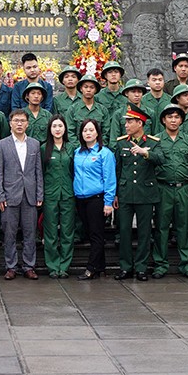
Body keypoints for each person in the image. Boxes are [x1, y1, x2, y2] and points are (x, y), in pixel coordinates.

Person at [0, 108, 42, 280]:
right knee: (10, 233)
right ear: (10, 123)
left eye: (22, 121)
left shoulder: (34, 144)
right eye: (16, 121)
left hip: (30, 195)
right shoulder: (1, 144)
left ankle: (29, 266)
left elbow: (38, 172)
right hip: (9, 195)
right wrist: (0, 195)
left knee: (30, 233)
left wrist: (39, 195)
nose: (19, 124)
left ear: (27, 124)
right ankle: (11, 266)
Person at [148, 103, 188, 279]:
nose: (173, 120)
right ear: (163, 120)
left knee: (184, 227)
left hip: (183, 188)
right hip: (163, 188)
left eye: (177, 117)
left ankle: (187, 264)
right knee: (161, 228)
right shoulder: (156, 140)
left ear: (181, 120)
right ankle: (160, 264)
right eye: (170, 117)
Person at [112, 107, 157, 281]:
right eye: (126, 121)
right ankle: (125, 267)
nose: (126, 125)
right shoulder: (122, 142)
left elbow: (160, 159)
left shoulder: (152, 142)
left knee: (144, 232)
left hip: (145, 193)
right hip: (125, 193)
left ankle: (141, 267)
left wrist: (145, 152)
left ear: (140, 123)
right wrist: (115, 193)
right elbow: (118, 169)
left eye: (130, 122)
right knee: (123, 231)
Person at [72, 118, 115, 280]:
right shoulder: (77, 152)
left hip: (96, 199)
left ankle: (91, 268)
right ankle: (101, 267)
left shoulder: (104, 153)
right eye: (85, 130)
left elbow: (110, 179)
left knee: (97, 235)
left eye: (91, 130)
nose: (88, 133)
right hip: (80, 199)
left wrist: (108, 202)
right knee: (91, 234)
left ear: (97, 132)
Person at [36, 114, 73, 278]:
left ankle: (64, 266)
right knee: (50, 232)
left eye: (60, 126)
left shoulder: (71, 148)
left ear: (65, 128)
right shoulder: (44, 148)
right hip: (50, 195)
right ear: (50, 129)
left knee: (67, 232)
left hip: (68, 194)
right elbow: (41, 173)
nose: (57, 129)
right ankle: (52, 266)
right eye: (54, 126)